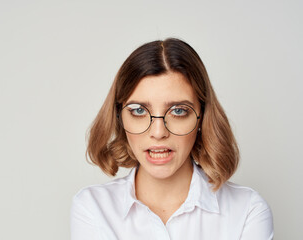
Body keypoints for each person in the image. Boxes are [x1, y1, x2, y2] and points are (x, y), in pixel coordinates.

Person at [70, 38, 273, 239]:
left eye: (178, 111)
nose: (158, 132)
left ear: (202, 116)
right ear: (118, 117)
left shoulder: (247, 211)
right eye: (139, 110)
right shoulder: (93, 208)